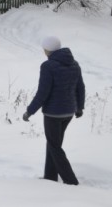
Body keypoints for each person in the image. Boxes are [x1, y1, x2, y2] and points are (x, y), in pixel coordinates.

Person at [23, 36, 85, 185]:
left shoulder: (48, 66)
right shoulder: (74, 64)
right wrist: (79, 107)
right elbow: (80, 87)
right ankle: (50, 177)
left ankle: (71, 181)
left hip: (53, 113)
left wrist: (30, 111)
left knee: (54, 146)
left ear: (47, 50)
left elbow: (43, 93)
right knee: (53, 143)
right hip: (68, 112)